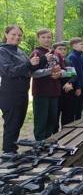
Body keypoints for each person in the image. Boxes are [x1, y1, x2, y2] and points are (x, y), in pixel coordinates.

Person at [0, 25, 40, 153]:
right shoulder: (2, 51)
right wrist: (29, 64)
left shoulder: (20, 51)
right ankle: (8, 153)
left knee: (17, 125)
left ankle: (13, 150)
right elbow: (8, 71)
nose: (17, 37)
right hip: (10, 94)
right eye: (13, 34)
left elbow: (28, 70)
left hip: (23, 93)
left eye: (19, 35)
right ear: (6, 35)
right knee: (11, 126)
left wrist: (42, 61)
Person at [30, 29, 64, 141]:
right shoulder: (36, 53)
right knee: (41, 120)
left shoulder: (57, 54)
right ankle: (39, 144)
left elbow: (64, 70)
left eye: (49, 37)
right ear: (38, 38)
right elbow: (33, 73)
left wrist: (59, 74)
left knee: (52, 120)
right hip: (41, 93)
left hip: (54, 91)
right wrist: (51, 71)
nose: (46, 40)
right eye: (43, 37)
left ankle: (48, 142)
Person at [52, 42, 77, 131]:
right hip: (56, 93)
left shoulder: (68, 61)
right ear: (54, 50)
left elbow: (74, 75)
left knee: (68, 117)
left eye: (64, 49)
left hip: (68, 92)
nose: (62, 51)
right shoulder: (52, 61)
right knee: (55, 117)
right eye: (60, 49)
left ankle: (66, 135)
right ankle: (55, 135)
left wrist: (69, 83)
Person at [67, 37, 83, 121]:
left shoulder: (81, 56)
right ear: (74, 45)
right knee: (75, 110)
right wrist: (77, 87)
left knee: (80, 108)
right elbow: (73, 74)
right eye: (81, 44)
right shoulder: (72, 57)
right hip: (77, 88)